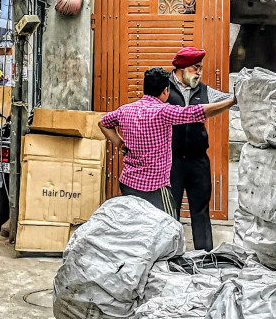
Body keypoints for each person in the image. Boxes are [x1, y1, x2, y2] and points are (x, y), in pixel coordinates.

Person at [97, 67, 229, 214]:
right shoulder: (163, 112)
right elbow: (197, 112)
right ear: (166, 91)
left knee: (135, 227)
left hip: (128, 183)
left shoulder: (125, 110)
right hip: (155, 189)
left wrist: (120, 143)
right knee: (167, 227)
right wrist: (232, 101)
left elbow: (103, 123)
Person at [167, 47, 234, 252]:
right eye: (196, 68)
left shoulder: (205, 91)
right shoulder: (164, 89)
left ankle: (204, 256)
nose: (199, 72)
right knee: (171, 210)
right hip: (171, 160)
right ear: (182, 68)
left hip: (198, 160)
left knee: (201, 209)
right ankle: (169, 254)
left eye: (200, 68)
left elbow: (229, 99)